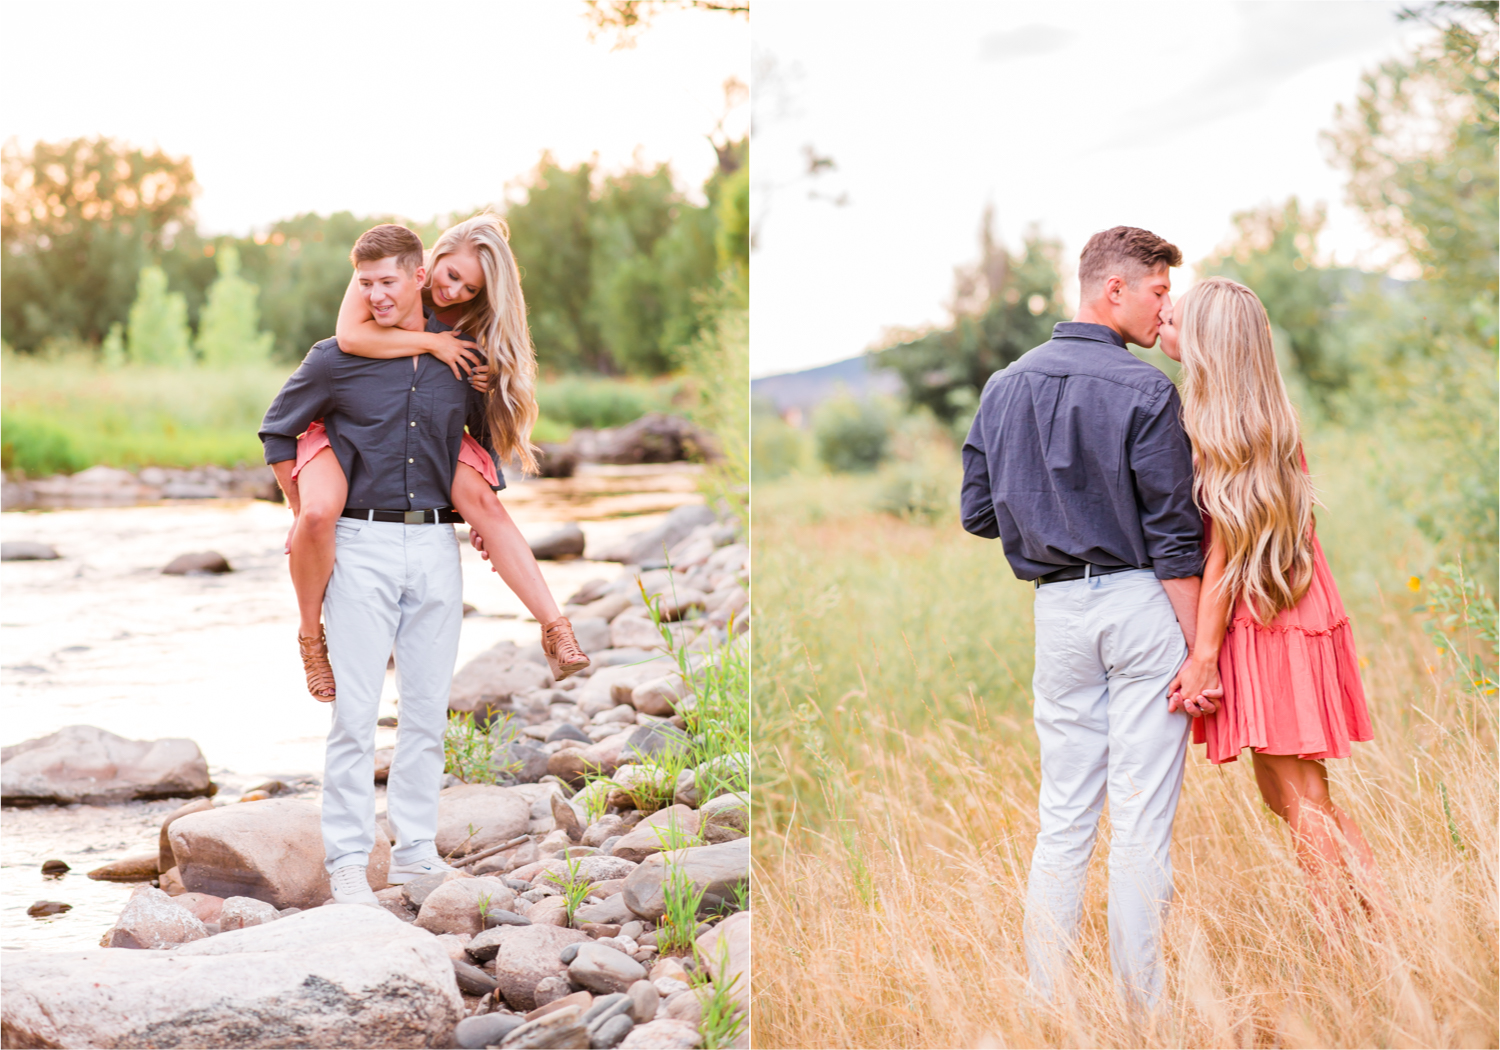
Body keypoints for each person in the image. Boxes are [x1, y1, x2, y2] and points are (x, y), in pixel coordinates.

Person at [961, 226, 1207, 1011]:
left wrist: (1050, 518)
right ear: (1115, 291)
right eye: (1159, 293)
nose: (1166, 310)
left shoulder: (1003, 386)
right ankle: (1145, 1011)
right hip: (1140, 604)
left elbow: (977, 512)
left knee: (1063, 819)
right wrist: (1203, 648)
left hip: (1057, 612)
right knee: (1139, 822)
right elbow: (1175, 537)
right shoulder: (1147, 391)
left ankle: (1047, 1003)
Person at [260, 223, 514, 903]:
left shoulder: (461, 362)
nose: (374, 295)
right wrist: (301, 504)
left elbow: (481, 448)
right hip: (361, 544)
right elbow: (277, 428)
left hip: (435, 546)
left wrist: (485, 517)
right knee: (355, 714)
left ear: (417, 276)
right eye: (364, 283)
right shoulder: (334, 359)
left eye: (386, 282)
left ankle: (416, 853)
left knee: (429, 710)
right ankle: (347, 861)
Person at [1159, 276, 1393, 922]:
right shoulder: (1256, 417)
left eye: (1174, 319)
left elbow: (1225, 554)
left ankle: (1347, 936)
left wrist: (1203, 656)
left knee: (1297, 796)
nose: (1162, 323)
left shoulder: (1225, 432)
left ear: (1205, 344)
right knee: (1293, 791)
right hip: (1290, 608)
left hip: (1269, 619)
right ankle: (1382, 926)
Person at [284, 213, 588, 704]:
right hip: (364, 411)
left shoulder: (473, 320)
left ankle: (555, 627)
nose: (453, 293)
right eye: (450, 275)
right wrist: (433, 343)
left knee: (487, 509)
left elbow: (477, 421)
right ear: (434, 259)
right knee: (317, 515)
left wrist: (485, 385)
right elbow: (351, 339)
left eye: (469, 289)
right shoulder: (390, 272)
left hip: (432, 427)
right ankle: (309, 636)